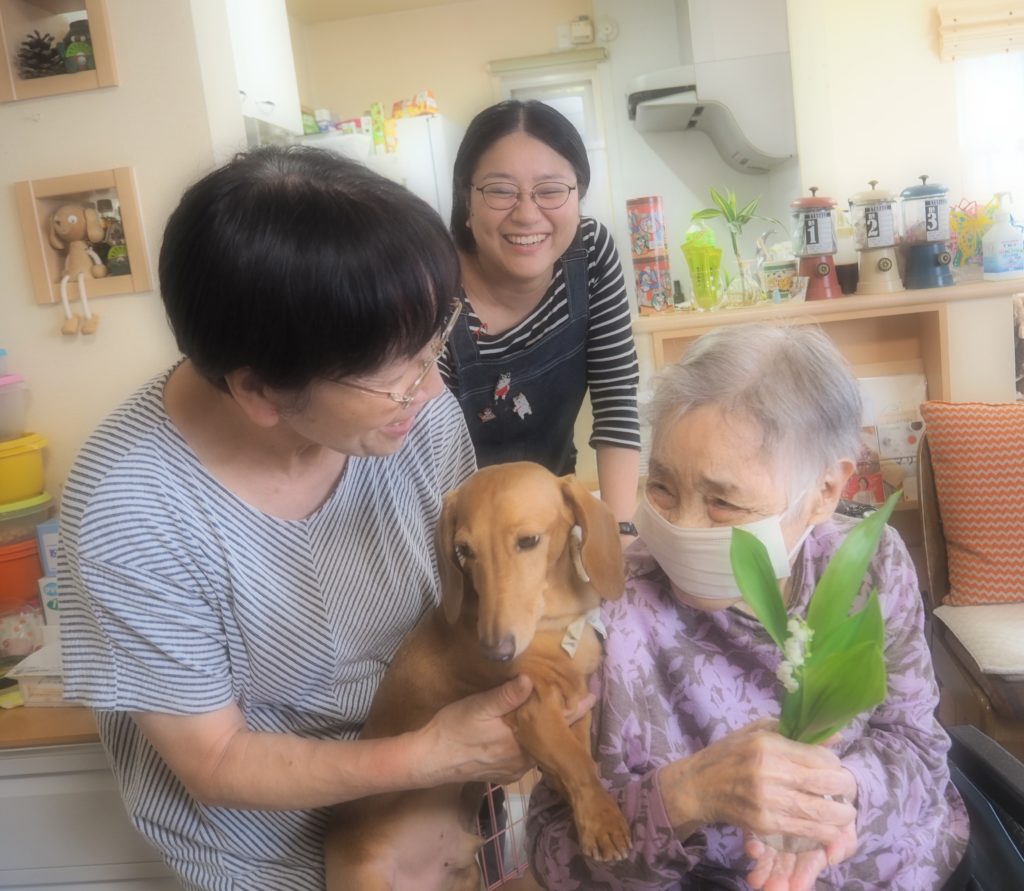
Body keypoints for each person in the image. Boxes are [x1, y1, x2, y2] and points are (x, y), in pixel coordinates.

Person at [59, 146, 554, 891]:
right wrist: (428, 755)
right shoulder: (133, 509)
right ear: (258, 390)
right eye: (397, 377)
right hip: (273, 860)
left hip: (444, 815)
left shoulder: (417, 416)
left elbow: (474, 600)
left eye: (433, 346)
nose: (429, 390)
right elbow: (217, 760)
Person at [527, 323, 968, 890]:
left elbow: (916, 749)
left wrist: (829, 800)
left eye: (723, 503)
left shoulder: (869, 565)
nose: (682, 526)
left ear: (825, 492)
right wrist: (687, 795)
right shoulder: (608, 612)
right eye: (661, 488)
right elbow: (552, 850)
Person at [441, 99, 641, 534]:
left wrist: (620, 532)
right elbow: (424, 455)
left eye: (550, 190)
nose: (527, 214)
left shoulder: (590, 254)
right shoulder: (432, 288)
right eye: (500, 190)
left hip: (552, 511)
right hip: (459, 529)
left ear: (578, 194)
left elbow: (616, 399)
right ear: (466, 199)